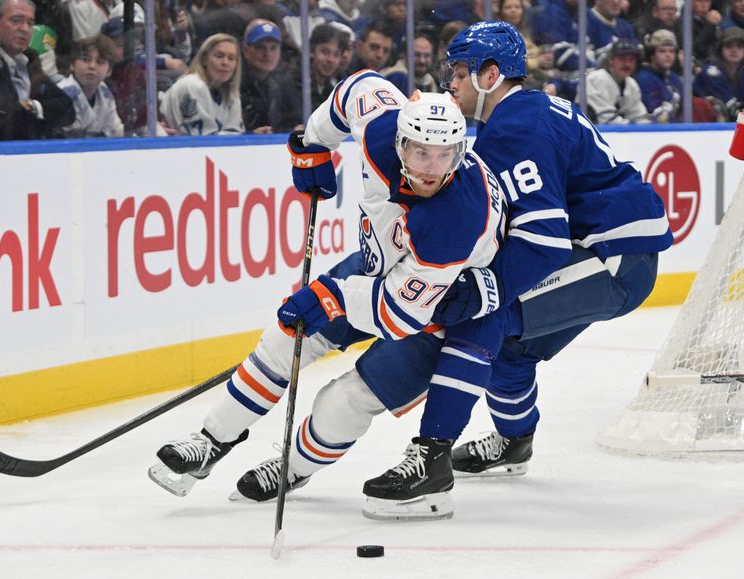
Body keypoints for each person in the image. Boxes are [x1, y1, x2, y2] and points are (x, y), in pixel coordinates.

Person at [147, 82, 506, 518]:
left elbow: (398, 315)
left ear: (460, 152)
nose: (432, 168)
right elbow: (357, 89)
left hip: (445, 303)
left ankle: (292, 468)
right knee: (286, 337)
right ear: (400, 143)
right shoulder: (380, 130)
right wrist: (315, 143)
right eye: (420, 153)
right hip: (380, 269)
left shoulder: (457, 217)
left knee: (346, 400)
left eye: (445, 154)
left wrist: (333, 295)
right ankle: (210, 441)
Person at [361, 20, 672, 518]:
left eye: (459, 72)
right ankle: (514, 442)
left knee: (485, 316)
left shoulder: (515, 127)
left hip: (612, 256)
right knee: (509, 349)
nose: (450, 83)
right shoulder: (520, 114)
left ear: (490, 75)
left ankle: (432, 458)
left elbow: (544, 241)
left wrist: (485, 287)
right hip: (608, 248)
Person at [0, 0, 75, 140]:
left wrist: (32, 105)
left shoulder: (30, 59)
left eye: (30, 23)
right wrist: (39, 112)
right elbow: (1, 117)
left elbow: (67, 108)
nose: (25, 29)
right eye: (16, 20)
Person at [160, 32, 245, 135]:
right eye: (219, 56)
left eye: (231, 58)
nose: (225, 63)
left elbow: (235, 134)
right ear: (204, 59)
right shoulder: (192, 84)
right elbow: (203, 139)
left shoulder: (231, 93)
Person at [239, 19, 301, 133]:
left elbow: (294, 120)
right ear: (246, 51)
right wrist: (251, 135)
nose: (267, 54)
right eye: (260, 47)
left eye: (273, 48)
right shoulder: (236, 83)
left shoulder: (283, 83)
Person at [57, 34, 123, 137]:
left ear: (109, 71)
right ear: (72, 64)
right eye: (85, 59)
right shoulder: (61, 93)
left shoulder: (105, 93)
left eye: (100, 62)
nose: (92, 66)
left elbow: (116, 132)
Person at [693, 27, 744, 121]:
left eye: (739, 46)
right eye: (729, 46)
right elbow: (728, 103)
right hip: (706, 125)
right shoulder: (710, 72)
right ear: (721, 49)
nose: (734, 50)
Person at [585, 37, 651, 124]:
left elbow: (639, 117)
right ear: (611, 60)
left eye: (631, 59)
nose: (627, 64)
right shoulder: (595, 79)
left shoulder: (631, 84)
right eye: (622, 59)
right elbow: (606, 119)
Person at [636, 29, 683, 123]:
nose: (668, 55)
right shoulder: (645, 78)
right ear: (652, 55)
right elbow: (655, 115)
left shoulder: (674, 78)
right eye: (662, 51)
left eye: (671, 51)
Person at [381, 31, 439, 95]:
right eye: (416, 55)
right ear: (405, 54)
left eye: (427, 55)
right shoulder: (397, 77)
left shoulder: (429, 80)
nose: (422, 61)